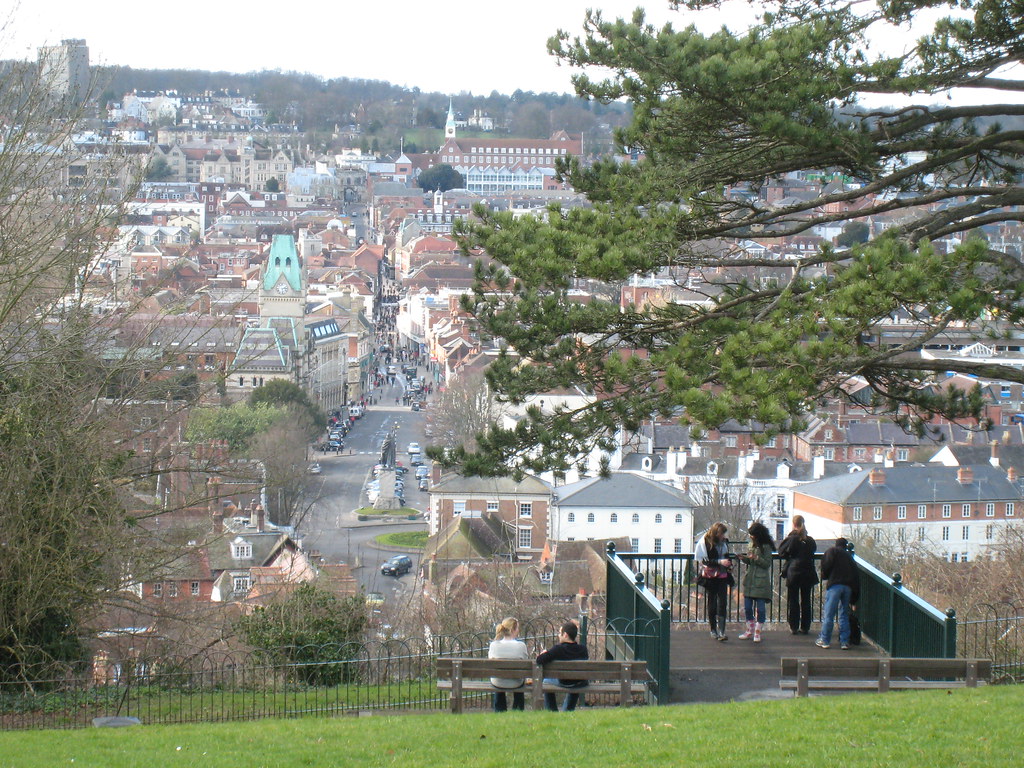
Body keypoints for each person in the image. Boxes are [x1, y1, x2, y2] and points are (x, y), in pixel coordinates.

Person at [777, 515, 819, 635]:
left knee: (793, 600)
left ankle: (794, 626)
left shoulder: (792, 539)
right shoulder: (810, 540)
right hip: (808, 572)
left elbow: (781, 552)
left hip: (794, 573)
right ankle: (805, 626)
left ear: (793, 524)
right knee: (806, 600)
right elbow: (812, 551)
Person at [816, 538, 860, 650]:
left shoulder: (832, 551)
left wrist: (825, 576)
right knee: (843, 614)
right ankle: (844, 642)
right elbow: (856, 577)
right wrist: (854, 599)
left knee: (829, 614)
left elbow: (825, 566)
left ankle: (825, 640)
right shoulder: (850, 558)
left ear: (836, 544)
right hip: (848, 587)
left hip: (835, 585)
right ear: (846, 546)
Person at [694, 522, 734, 641]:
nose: (723, 536)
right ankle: (713, 629)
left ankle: (721, 630)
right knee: (712, 602)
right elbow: (705, 561)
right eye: (721, 534)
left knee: (723, 602)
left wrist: (729, 565)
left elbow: (726, 556)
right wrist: (720, 562)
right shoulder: (706, 542)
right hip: (710, 577)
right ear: (716, 533)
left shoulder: (724, 543)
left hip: (722, 575)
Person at [537, 621, 588, 711]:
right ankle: (568, 710)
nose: (558, 635)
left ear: (565, 635)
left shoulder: (558, 649)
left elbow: (539, 660)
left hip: (564, 682)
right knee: (576, 678)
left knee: (546, 681)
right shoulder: (583, 649)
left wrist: (544, 653)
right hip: (579, 682)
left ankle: (551, 709)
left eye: (560, 633)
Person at [737, 521, 775, 642]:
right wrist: (744, 559)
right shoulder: (750, 545)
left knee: (761, 609)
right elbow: (750, 562)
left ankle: (757, 632)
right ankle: (749, 630)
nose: (751, 537)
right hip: (750, 580)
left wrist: (757, 558)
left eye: (752, 535)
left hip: (761, 581)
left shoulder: (766, 547)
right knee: (747, 607)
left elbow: (767, 564)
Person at [488, 617, 530, 712]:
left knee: (498, 677)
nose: (518, 630)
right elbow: (525, 662)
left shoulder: (494, 645)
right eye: (517, 628)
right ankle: (518, 710)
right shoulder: (521, 646)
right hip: (516, 682)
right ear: (512, 630)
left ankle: (499, 711)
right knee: (520, 678)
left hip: (498, 682)